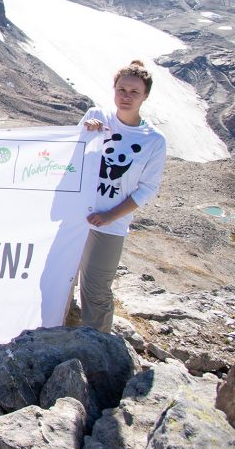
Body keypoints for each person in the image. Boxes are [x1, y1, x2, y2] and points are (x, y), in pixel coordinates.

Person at [76, 60, 167, 332]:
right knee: (59, 278)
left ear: (145, 96)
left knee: (96, 290)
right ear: (114, 89)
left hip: (110, 226)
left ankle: (98, 349)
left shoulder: (154, 140)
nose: (126, 96)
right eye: (121, 89)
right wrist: (83, 131)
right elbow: (71, 156)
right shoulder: (97, 116)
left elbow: (148, 188)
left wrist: (109, 216)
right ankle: (59, 332)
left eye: (134, 92)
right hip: (73, 215)